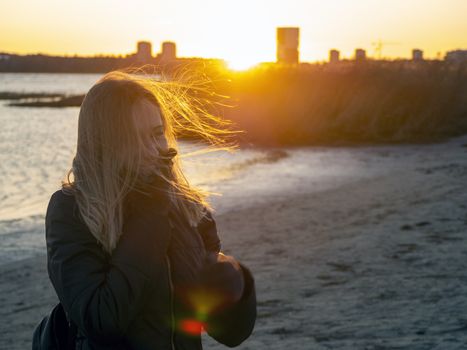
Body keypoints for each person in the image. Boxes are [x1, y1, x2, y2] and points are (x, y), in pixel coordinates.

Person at [44, 70, 256, 349]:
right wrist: (150, 216)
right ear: (106, 144)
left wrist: (236, 286)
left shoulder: (187, 207)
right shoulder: (72, 210)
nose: (155, 149)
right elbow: (100, 320)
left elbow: (228, 334)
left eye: (158, 134)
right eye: (135, 138)